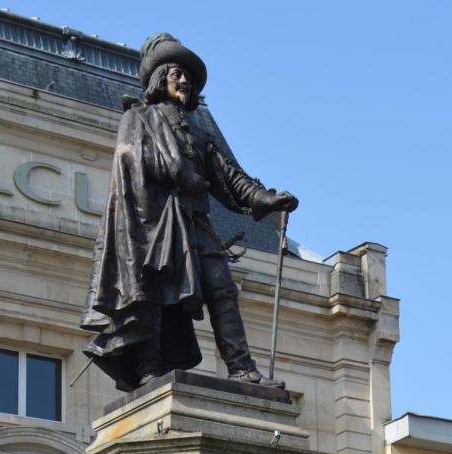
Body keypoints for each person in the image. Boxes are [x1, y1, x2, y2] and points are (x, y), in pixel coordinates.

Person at [81, 33, 296, 392]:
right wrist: (176, 170)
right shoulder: (140, 118)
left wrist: (265, 199)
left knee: (223, 290)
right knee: (151, 295)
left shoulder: (199, 131)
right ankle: (150, 367)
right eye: (177, 73)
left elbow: (228, 176)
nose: (184, 80)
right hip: (155, 226)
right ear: (160, 78)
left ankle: (242, 368)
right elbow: (130, 158)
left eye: (188, 76)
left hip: (196, 224)